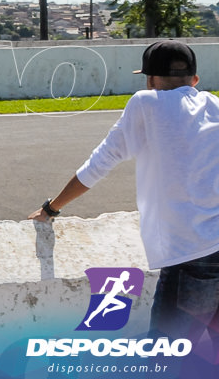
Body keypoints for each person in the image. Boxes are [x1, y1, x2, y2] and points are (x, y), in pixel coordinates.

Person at [29, 40, 219, 340]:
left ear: (150, 79)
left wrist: (51, 208)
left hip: (191, 255)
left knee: (165, 357)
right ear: (194, 80)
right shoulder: (215, 106)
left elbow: (99, 163)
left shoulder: (146, 103)